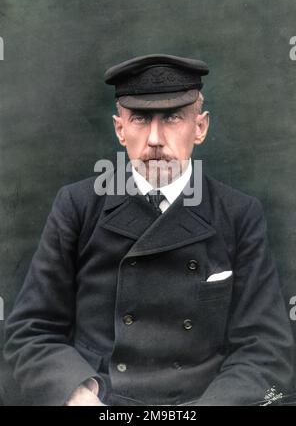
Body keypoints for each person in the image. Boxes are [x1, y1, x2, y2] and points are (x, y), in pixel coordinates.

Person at [3, 54, 294, 406]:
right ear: (120, 129)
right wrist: (77, 394)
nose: (155, 139)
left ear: (200, 128)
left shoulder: (238, 214)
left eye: (172, 118)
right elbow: (31, 331)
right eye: (140, 119)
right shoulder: (78, 206)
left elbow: (265, 348)